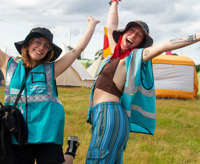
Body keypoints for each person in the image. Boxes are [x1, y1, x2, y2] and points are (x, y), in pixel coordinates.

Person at [0, 0, 100, 163]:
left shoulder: (51, 70)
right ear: (27, 44)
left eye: (46, 45)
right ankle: (71, 147)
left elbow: (77, 50)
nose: (41, 47)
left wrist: (92, 24)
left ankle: (71, 150)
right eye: (38, 41)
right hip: (17, 136)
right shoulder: (8, 65)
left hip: (46, 137)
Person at [85, 0, 200, 163]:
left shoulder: (132, 58)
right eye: (131, 30)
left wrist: (198, 36)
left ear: (140, 43)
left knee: (97, 159)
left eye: (138, 35)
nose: (133, 35)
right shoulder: (114, 56)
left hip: (110, 113)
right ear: (123, 33)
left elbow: (163, 46)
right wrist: (115, 3)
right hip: (103, 114)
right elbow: (110, 27)